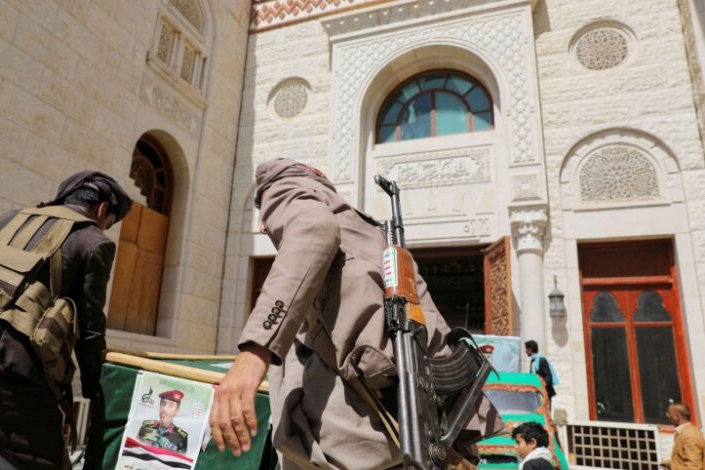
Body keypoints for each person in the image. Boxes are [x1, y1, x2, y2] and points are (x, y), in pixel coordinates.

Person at [209, 158, 503, 469]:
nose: (266, 225)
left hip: (364, 434)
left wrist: (255, 352)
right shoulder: (364, 230)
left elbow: (313, 230)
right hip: (425, 423)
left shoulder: (283, 188)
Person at [0, 171, 131, 469]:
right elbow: (90, 331)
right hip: (2, 368)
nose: (105, 228)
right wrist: (97, 393)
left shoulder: (7, 219)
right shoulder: (93, 241)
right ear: (101, 210)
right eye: (109, 223)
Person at [661, 402, 705, 470]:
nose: (667, 416)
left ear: (677, 417)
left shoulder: (690, 435)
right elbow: (682, 459)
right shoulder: (683, 432)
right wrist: (668, 463)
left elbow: (693, 468)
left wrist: (671, 467)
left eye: (669, 414)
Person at [525, 340, 559, 407]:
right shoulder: (533, 360)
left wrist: (541, 385)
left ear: (530, 349)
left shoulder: (541, 360)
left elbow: (548, 376)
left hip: (544, 392)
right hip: (537, 393)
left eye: (526, 349)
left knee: (544, 412)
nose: (525, 351)